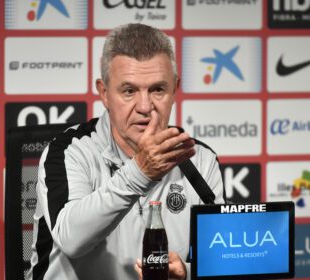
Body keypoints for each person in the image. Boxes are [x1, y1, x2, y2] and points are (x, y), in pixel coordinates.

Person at [28, 23, 225, 280]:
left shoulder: (199, 159)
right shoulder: (68, 151)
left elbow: (219, 259)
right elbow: (72, 240)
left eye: (157, 89)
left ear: (175, 89)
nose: (145, 106)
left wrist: (186, 272)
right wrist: (140, 172)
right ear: (104, 93)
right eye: (129, 91)